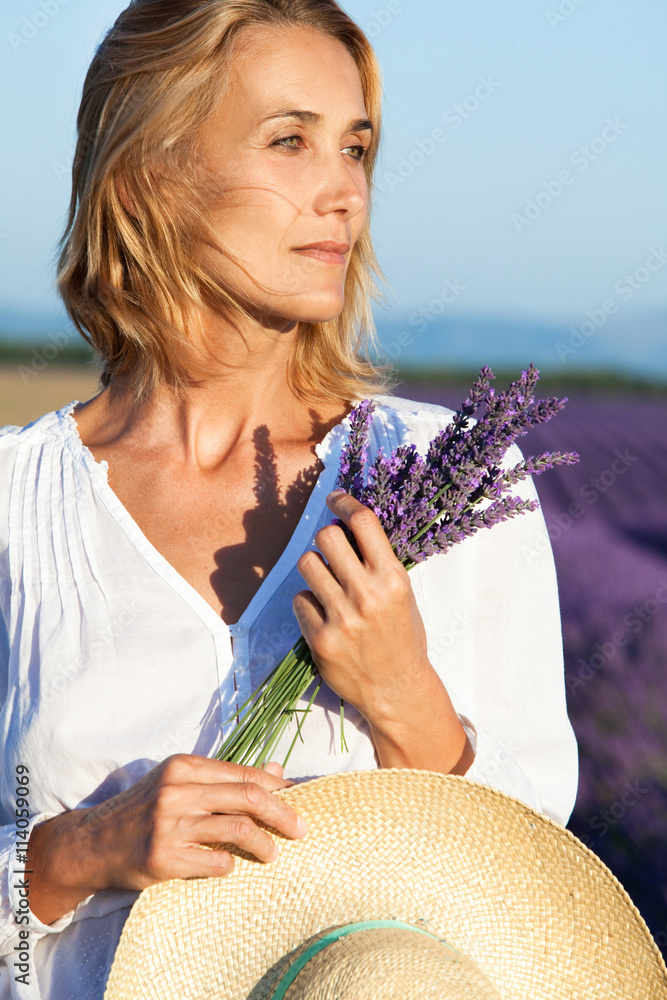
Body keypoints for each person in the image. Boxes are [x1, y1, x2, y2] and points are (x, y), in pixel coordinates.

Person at [0, 1, 578, 997]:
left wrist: (408, 702)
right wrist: (77, 852)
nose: (344, 192)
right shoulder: (16, 502)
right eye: (289, 142)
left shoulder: (459, 479)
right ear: (150, 173)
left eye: (355, 147)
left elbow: (531, 902)